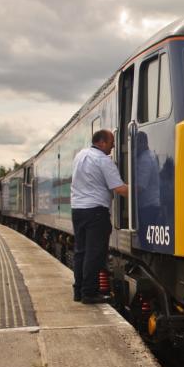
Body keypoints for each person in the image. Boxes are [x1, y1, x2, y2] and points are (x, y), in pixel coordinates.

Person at [70, 129, 128, 304]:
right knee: (94, 253)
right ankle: (89, 293)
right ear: (101, 143)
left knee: (81, 251)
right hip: (96, 211)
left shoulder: (80, 155)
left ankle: (79, 291)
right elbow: (119, 189)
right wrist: (142, 191)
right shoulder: (103, 160)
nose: (113, 147)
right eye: (111, 143)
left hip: (78, 210)